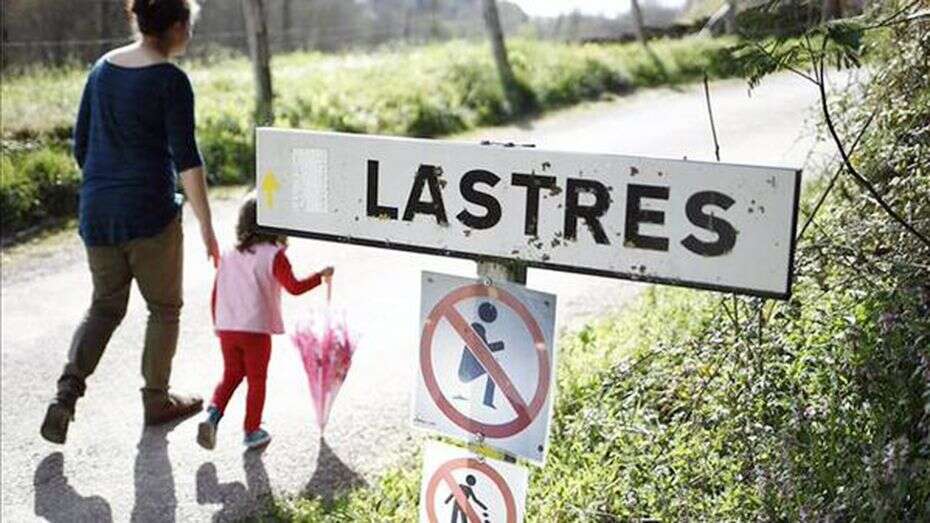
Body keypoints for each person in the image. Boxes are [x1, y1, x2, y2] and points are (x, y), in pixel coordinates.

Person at [41, 0, 219, 444]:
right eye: (188, 27)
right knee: (164, 309)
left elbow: (80, 145)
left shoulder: (102, 68)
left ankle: (65, 395)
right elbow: (187, 160)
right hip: (150, 215)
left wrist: (105, 188)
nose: (190, 36)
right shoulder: (170, 80)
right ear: (176, 27)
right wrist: (206, 227)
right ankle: (156, 399)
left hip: (97, 213)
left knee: (105, 307)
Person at [197, 196, 334, 450]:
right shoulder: (274, 255)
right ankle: (251, 430)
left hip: (227, 327)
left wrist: (218, 323)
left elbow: (216, 292)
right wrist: (320, 276)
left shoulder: (228, 253)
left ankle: (212, 415)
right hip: (255, 330)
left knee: (231, 374)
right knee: (257, 379)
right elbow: (294, 287)